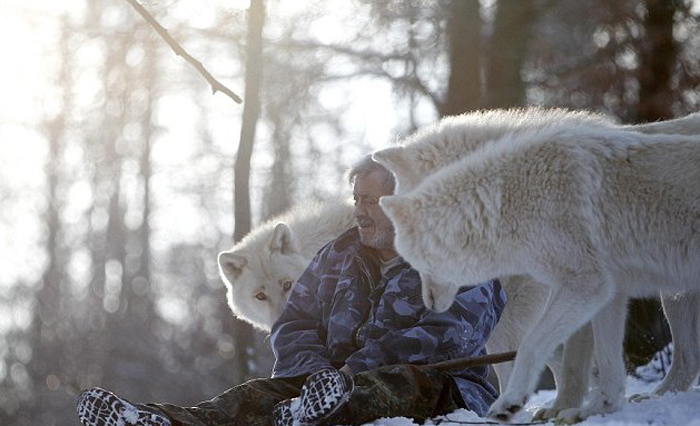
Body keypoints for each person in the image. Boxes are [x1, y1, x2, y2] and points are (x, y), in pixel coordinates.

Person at [76, 155, 506, 426]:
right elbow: (294, 322)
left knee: (394, 385)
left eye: (372, 201)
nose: (359, 211)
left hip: (439, 389)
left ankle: (311, 412)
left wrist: (349, 374)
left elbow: (446, 338)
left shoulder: (459, 255)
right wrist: (314, 373)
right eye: (357, 199)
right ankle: (161, 421)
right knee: (251, 397)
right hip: (328, 384)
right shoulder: (337, 256)